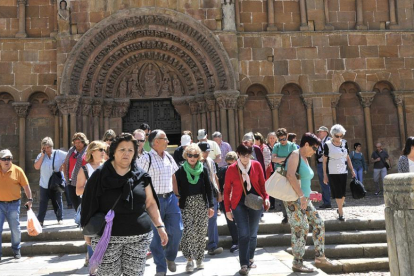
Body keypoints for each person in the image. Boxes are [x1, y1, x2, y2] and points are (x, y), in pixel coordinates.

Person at [80, 133, 168, 276]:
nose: (126, 153)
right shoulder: (99, 175)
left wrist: (160, 226)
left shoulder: (141, 176)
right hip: (106, 239)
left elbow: (151, 203)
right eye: (122, 149)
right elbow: (88, 203)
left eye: (130, 150)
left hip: (139, 237)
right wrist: (86, 231)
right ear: (113, 152)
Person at [284, 133, 333, 272]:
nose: (315, 151)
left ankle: (320, 256)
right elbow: (290, 175)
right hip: (294, 199)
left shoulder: (304, 158)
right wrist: (301, 196)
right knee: (301, 228)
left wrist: (310, 193)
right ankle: (297, 262)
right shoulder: (295, 155)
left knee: (318, 222)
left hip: (303, 198)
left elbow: (302, 180)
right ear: (306, 144)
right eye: (314, 147)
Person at [136, 129, 182, 276]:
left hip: (170, 198)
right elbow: (138, 180)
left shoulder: (168, 156)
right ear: (156, 142)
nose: (168, 141)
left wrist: (177, 195)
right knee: (155, 236)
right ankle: (161, 268)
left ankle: (170, 256)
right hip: (153, 201)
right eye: (165, 138)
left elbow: (173, 176)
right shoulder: (145, 159)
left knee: (177, 230)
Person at [224, 144, 270, 275]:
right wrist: (227, 209)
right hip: (238, 203)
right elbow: (226, 190)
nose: (245, 158)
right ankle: (243, 264)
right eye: (243, 155)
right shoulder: (232, 169)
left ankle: (250, 258)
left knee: (253, 233)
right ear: (238, 154)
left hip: (255, 202)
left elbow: (263, 183)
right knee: (243, 233)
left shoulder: (256, 165)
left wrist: (266, 198)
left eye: (248, 155)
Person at [173, 143, 214, 272]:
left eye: (195, 155)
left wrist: (211, 205)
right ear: (186, 155)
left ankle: (200, 259)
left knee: (200, 232)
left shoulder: (203, 169)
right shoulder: (180, 170)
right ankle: (189, 260)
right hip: (186, 204)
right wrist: (178, 198)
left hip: (201, 203)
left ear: (198, 156)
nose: (192, 157)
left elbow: (209, 188)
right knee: (188, 232)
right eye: (190, 155)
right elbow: (176, 187)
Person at [75, 140, 107, 267]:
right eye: (101, 150)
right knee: (91, 235)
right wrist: (93, 190)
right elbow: (78, 190)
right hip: (89, 207)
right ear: (92, 152)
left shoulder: (107, 167)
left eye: (104, 150)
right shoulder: (85, 169)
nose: (103, 153)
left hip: (106, 207)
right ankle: (93, 264)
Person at [0, 149, 33, 260]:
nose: (6, 161)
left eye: (9, 159)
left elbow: (26, 186)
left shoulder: (18, 170)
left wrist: (30, 199)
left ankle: (16, 249)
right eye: (4, 159)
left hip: (14, 204)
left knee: (15, 228)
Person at [323, 124, 356, 221]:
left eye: (341, 136)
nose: (339, 138)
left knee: (343, 193)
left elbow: (348, 157)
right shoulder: (327, 145)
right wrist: (325, 175)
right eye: (337, 136)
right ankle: (341, 212)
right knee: (337, 192)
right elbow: (324, 161)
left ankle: (339, 208)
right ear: (332, 135)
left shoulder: (344, 143)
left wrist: (352, 170)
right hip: (333, 171)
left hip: (343, 170)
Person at [34, 137, 67, 226]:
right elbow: (36, 167)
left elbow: (69, 157)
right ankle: (40, 220)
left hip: (55, 183)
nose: (47, 149)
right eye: (45, 148)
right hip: (44, 183)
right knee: (43, 202)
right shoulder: (41, 156)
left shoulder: (58, 153)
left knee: (57, 200)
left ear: (52, 146)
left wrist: (63, 165)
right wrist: (42, 155)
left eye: (48, 147)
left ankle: (60, 218)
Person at [199, 142, 223, 256]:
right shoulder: (193, 162)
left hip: (212, 193)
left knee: (212, 219)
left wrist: (219, 192)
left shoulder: (210, 161)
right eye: (205, 151)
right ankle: (198, 247)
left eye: (208, 151)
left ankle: (212, 246)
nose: (207, 153)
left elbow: (215, 177)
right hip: (199, 195)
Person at [271, 128, 296, 224]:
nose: (282, 141)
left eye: (284, 139)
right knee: (282, 195)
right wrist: (286, 159)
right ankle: (285, 215)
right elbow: (273, 159)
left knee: (292, 193)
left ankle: (293, 214)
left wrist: (280, 159)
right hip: (280, 172)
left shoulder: (292, 145)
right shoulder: (277, 146)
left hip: (291, 171)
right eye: (280, 139)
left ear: (287, 136)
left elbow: (295, 158)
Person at [217, 151, 239, 253]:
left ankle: (241, 241)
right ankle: (235, 241)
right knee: (230, 221)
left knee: (240, 220)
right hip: (227, 199)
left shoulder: (241, 170)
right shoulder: (222, 170)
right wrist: (220, 195)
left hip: (238, 198)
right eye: (228, 163)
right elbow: (219, 184)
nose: (230, 166)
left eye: (232, 163)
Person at [62, 132, 88, 211]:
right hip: (71, 181)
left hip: (83, 182)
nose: (77, 144)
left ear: (84, 142)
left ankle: (83, 220)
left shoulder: (88, 152)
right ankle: (80, 218)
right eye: (76, 142)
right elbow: (65, 163)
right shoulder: (71, 151)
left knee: (83, 202)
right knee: (74, 201)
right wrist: (65, 175)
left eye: (79, 142)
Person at [316, 126, 332, 209]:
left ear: (326, 132)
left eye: (320, 132)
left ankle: (337, 200)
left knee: (330, 183)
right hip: (321, 164)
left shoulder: (329, 141)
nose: (319, 133)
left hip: (328, 164)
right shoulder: (320, 141)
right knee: (323, 183)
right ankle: (326, 202)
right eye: (318, 132)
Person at [266, 132, 277, 209]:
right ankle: (271, 204)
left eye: (273, 138)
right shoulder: (266, 147)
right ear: (268, 139)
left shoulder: (278, 146)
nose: (272, 139)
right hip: (269, 170)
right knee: (270, 186)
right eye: (270, 138)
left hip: (278, 169)